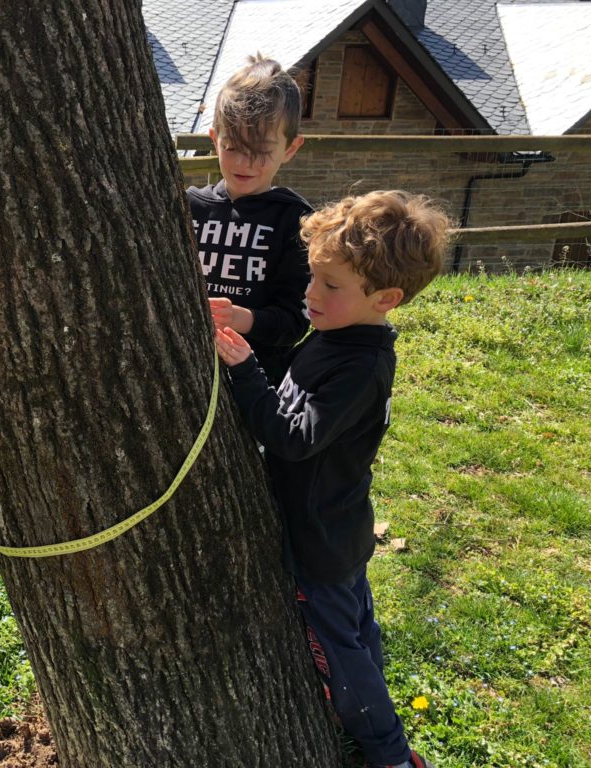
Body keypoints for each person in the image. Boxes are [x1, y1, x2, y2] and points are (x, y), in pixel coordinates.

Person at [214, 190, 450, 768]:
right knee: (357, 629)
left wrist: (245, 372)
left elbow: (295, 438)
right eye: (313, 278)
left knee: (341, 651)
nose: (311, 295)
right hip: (338, 523)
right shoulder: (338, 333)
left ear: (385, 299)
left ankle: (390, 753)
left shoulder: (360, 365)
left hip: (321, 538)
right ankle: (370, 701)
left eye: (331, 285)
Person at [189, 54, 312, 386]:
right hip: (189, 368)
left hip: (256, 382)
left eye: (261, 151)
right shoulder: (188, 207)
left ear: (291, 148)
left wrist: (239, 318)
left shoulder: (296, 221)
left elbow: (294, 323)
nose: (245, 162)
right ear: (214, 139)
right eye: (232, 147)